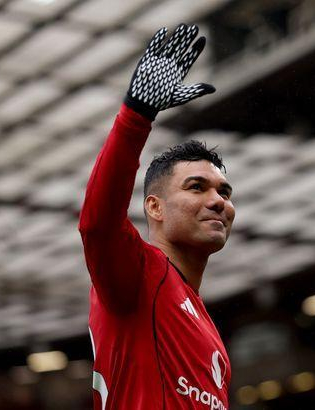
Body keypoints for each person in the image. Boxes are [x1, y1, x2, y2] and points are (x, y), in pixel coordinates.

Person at [79, 23, 235, 410]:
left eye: (224, 191)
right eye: (196, 187)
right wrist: (136, 116)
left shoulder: (207, 328)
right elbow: (98, 224)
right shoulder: (138, 276)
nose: (218, 201)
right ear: (154, 207)